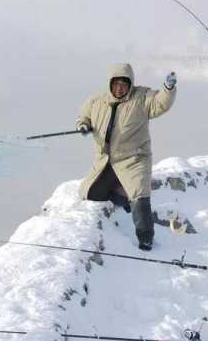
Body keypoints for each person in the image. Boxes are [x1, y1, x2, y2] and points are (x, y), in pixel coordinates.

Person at [76, 63, 177, 251]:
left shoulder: (141, 98)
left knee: (140, 196)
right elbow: (84, 115)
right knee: (91, 193)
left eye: (124, 84)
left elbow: (160, 103)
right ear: (110, 84)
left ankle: (145, 237)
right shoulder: (97, 100)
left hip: (134, 159)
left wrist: (168, 88)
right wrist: (83, 125)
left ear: (130, 84)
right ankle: (123, 198)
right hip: (106, 161)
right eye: (116, 84)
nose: (120, 88)